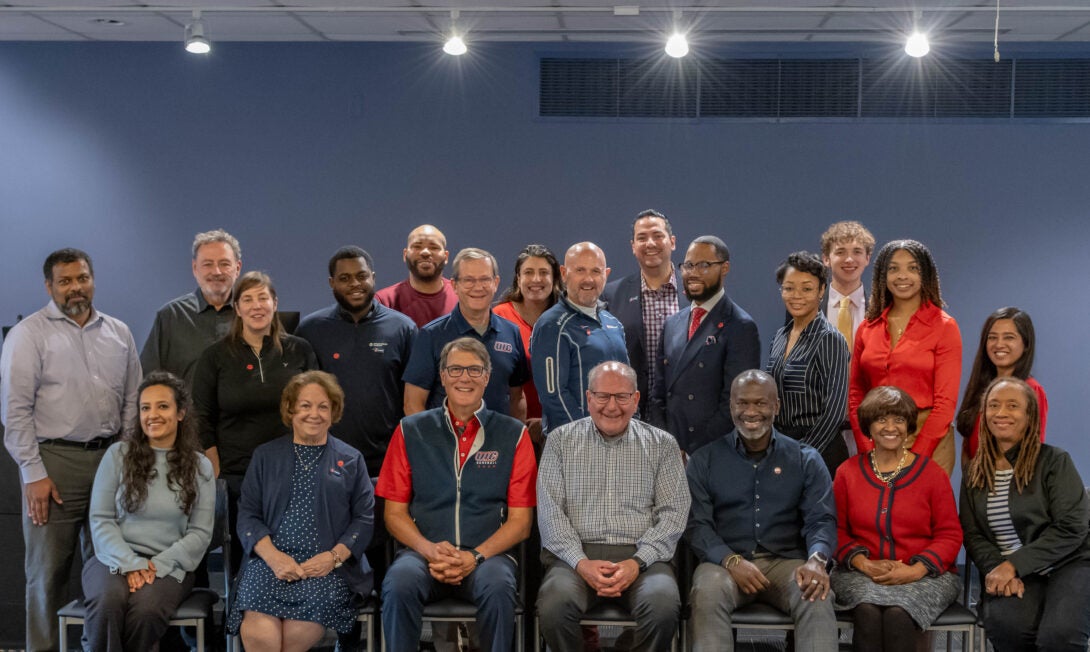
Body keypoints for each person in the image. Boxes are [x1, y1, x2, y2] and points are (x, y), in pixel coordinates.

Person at [1, 247, 142, 652]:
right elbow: (14, 411)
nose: (75, 287)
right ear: (49, 286)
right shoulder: (30, 334)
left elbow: (133, 399)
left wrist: (126, 455)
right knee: (48, 574)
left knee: (110, 569)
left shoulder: (119, 332)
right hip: (54, 465)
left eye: (82, 278)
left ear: (92, 279)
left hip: (110, 461)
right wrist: (33, 473)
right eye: (65, 281)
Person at [378, 338, 537, 652]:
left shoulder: (513, 434)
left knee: (498, 587)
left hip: (487, 558)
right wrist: (429, 550)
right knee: (398, 583)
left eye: (475, 370)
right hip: (423, 555)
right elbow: (393, 514)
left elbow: (521, 523)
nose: (465, 377)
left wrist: (473, 557)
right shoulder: (409, 430)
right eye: (456, 369)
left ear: (487, 377)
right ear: (443, 376)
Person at [537, 361, 689, 652]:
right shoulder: (559, 442)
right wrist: (581, 564)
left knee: (663, 606)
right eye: (603, 396)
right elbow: (550, 512)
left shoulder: (663, 445)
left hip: (644, 558)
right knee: (554, 605)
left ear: (635, 400)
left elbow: (673, 515)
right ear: (588, 397)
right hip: (575, 556)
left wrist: (637, 562)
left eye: (621, 397)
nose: (611, 406)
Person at [685, 370, 837, 652]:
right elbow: (697, 526)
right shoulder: (704, 460)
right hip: (725, 564)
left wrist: (817, 559)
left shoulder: (806, 459)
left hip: (787, 563)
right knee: (707, 592)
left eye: (761, 403)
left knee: (816, 593)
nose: (751, 411)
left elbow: (821, 519)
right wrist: (730, 560)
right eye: (742, 403)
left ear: (776, 406)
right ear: (731, 406)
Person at [230, 370, 375, 650]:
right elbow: (247, 514)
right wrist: (273, 558)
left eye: (323, 406)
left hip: (326, 570)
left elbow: (364, 519)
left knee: (295, 634)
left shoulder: (351, 459)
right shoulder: (265, 456)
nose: (314, 414)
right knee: (262, 636)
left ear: (334, 411)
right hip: (268, 565)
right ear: (290, 410)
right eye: (305, 405)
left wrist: (332, 558)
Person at [192, 271, 317, 570]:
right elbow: (201, 414)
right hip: (238, 474)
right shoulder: (216, 356)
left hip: (294, 468)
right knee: (245, 558)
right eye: (247, 299)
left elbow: (318, 407)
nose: (256, 306)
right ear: (237, 308)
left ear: (275, 303)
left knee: (293, 551)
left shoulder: (300, 350)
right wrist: (214, 464)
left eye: (263, 297)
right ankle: (243, 613)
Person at [83, 371, 215, 652]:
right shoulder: (117, 455)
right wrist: (132, 563)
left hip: (171, 564)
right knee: (108, 602)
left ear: (180, 413)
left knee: (146, 610)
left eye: (162, 406)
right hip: (112, 559)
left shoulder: (200, 466)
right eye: (145, 408)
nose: (152, 414)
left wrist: (154, 565)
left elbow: (200, 533)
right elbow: (101, 520)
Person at [960, 377, 1090, 652]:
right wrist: (998, 569)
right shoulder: (975, 472)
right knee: (1010, 627)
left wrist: (1014, 564)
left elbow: (1072, 526)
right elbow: (973, 535)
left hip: (1069, 564)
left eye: (1012, 406)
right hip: (1012, 571)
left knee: (1059, 636)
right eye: (994, 405)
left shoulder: (1054, 461)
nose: (1002, 413)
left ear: (1030, 416)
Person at [831, 386, 962, 652]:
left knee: (897, 614)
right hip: (860, 572)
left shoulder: (933, 474)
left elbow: (950, 534)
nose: (890, 427)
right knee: (867, 611)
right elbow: (836, 529)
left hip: (926, 575)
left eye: (899, 420)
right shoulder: (847, 472)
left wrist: (915, 570)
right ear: (869, 426)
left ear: (908, 426)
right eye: (881, 419)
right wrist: (864, 564)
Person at [296, 245, 416, 477]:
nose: (354, 284)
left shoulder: (403, 328)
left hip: (388, 461)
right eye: (344, 278)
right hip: (326, 459)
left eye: (361, 276)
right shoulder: (311, 329)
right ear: (332, 283)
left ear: (373, 277)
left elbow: (414, 400)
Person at [849, 239, 962, 475]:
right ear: (883, 276)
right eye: (893, 268)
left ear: (926, 275)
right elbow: (855, 395)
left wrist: (915, 457)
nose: (903, 276)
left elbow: (945, 404)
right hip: (878, 436)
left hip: (929, 437)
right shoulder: (867, 328)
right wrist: (867, 448)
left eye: (913, 268)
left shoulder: (945, 327)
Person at [650, 235, 760, 454]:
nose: (693, 273)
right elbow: (658, 394)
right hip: (668, 451)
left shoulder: (740, 325)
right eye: (688, 265)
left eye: (704, 265)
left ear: (725, 267)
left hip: (713, 453)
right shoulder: (673, 323)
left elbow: (735, 402)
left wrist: (692, 451)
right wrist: (666, 445)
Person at [402, 247, 530, 419]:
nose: (478, 287)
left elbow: (517, 397)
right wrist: (431, 443)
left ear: (496, 283)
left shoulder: (511, 332)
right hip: (445, 444)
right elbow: (412, 403)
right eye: (469, 280)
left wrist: (516, 439)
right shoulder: (431, 334)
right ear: (454, 285)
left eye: (485, 279)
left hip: (498, 444)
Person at [766, 251, 850, 475]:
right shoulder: (780, 336)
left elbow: (835, 412)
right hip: (782, 447)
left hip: (820, 452)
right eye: (789, 288)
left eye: (807, 288)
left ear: (821, 290)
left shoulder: (830, 338)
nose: (796, 295)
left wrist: (803, 454)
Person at [531, 241, 628, 434]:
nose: (588, 279)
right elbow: (553, 395)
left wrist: (631, 430)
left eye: (595, 271)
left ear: (606, 274)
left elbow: (628, 384)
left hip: (618, 443)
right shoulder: (551, 325)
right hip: (573, 446)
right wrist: (588, 438)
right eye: (580, 270)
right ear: (564, 273)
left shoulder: (613, 324)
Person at [601, 210, 682, 418]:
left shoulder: (694, 292)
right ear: (633, 247)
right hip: (629, 417)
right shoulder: (611, 295)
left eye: (657, 236)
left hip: (684, 420)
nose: (650, 243)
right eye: (642, 238)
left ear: (672, 242)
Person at [141, 229, 242, 387]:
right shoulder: (170, 317)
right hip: (188, 412)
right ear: (195, 268)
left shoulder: (252, 315)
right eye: (207, 264)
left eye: (224, 264)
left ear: (237, 268)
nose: (216, 272)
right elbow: (150, 381)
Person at [956, 307, 1048, 468]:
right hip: (975, 486)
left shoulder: (1031, 390)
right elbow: (968, 444)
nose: (999, 344)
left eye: (1009, 337)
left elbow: (1031, 451)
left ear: (1026, 344)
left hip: (1009, 487)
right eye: (992, 338)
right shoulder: (980, 387)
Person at [492, 243, 563, 438]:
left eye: (544, 272)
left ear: (555, 277)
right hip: (507, 430)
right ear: (518, 278)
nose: (536, 279)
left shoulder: (567, 319)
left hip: (561, 429)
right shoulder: (499, 317)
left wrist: (547, 423)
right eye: (529, 272)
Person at [375, 224, 458, 328]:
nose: (425, 252)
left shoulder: (462, 297)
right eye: (417, 246)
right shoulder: (384, 301)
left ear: (446, 257)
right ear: (405, 255)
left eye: (434, 247)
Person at [820, 221, 875, 349]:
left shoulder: (881, 310)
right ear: (826, 259)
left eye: (857, 252)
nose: (849, 260)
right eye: (840, 252)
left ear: (867, 258)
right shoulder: (809, 309)